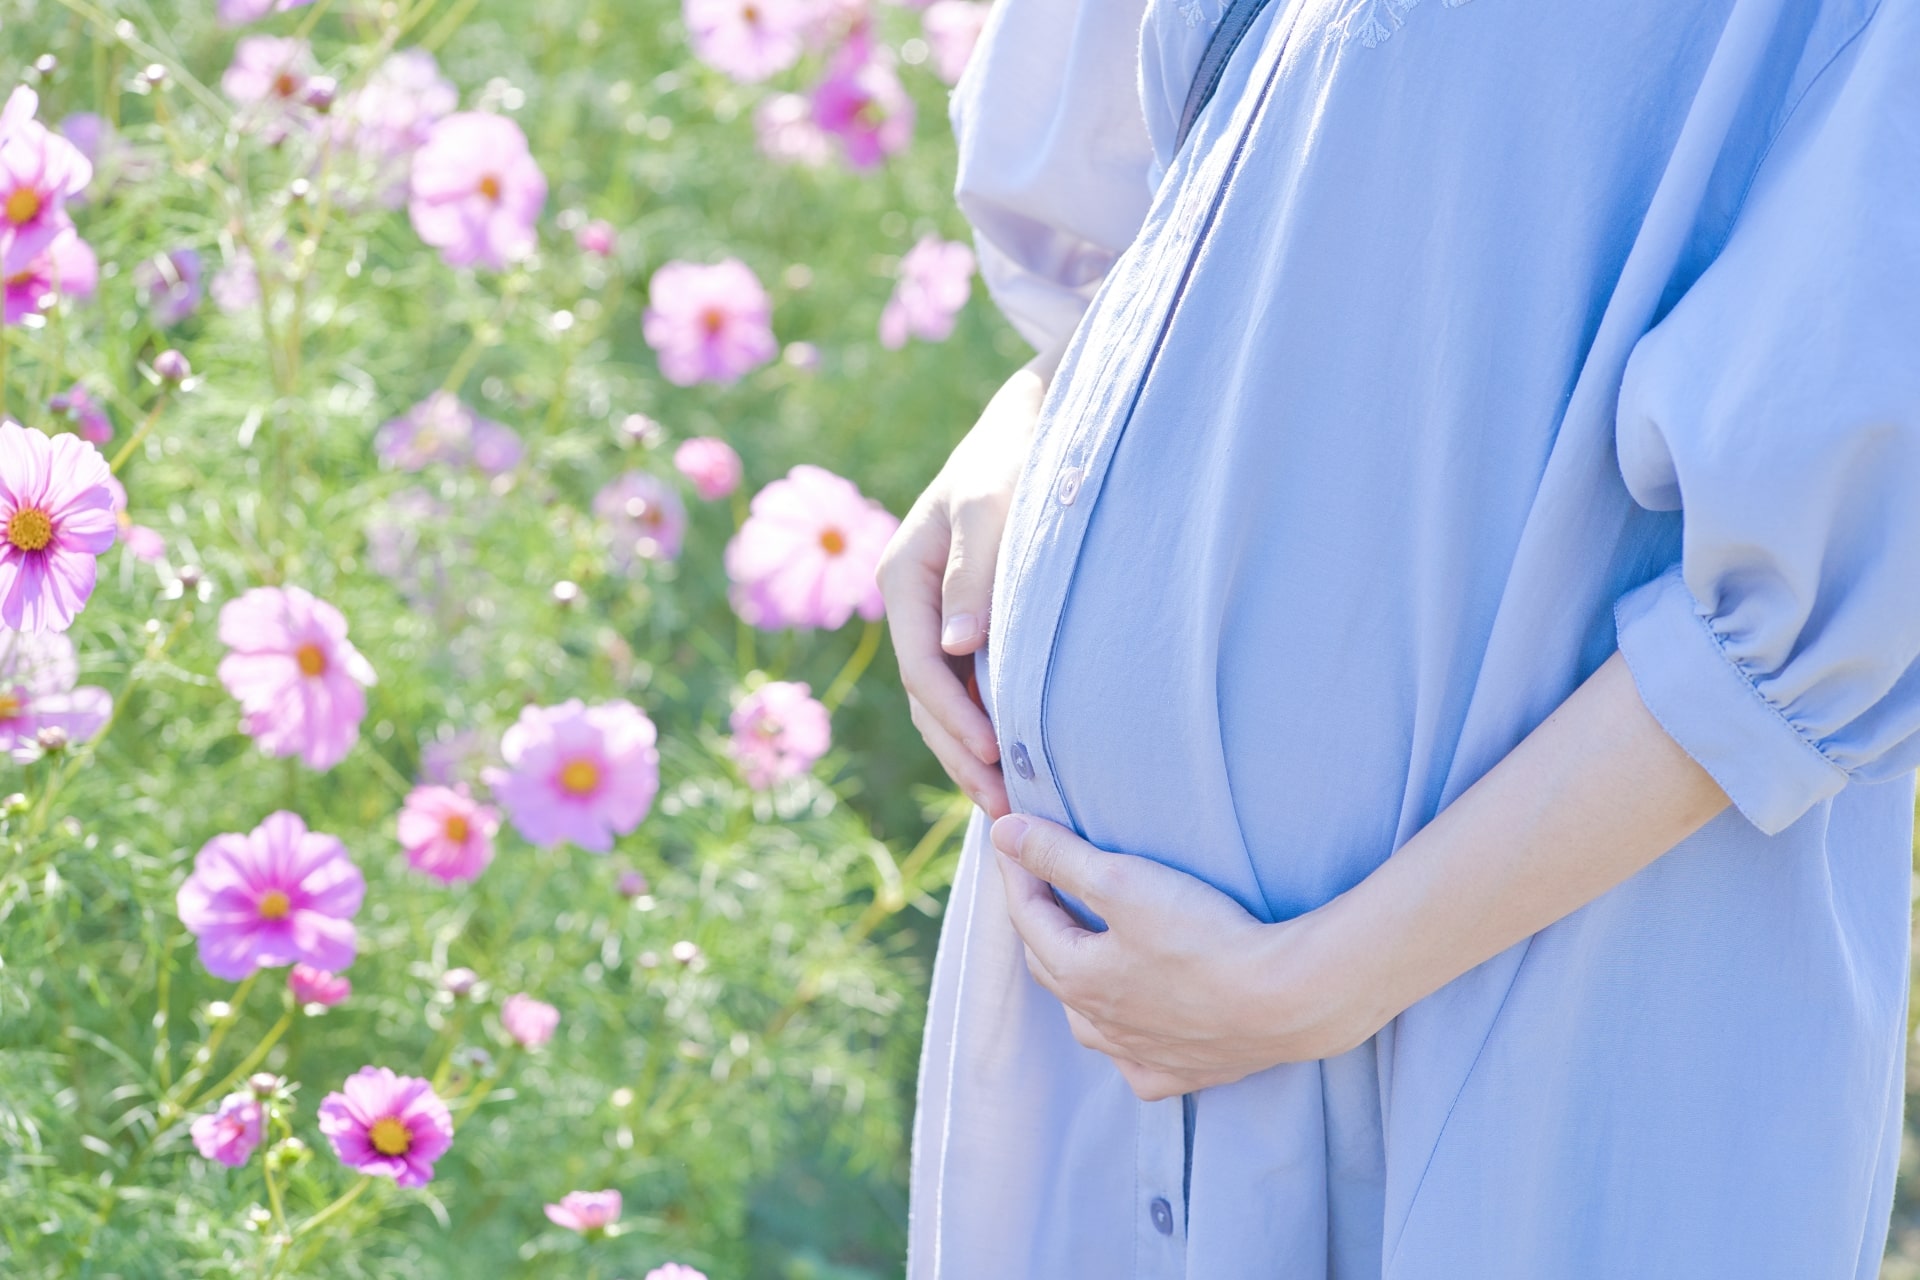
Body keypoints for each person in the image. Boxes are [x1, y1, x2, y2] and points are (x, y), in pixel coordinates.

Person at [876, 0, 1920, 1276]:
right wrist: (1033, 419)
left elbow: (1846, 561)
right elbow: (1206, 180)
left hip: (1509, 1013)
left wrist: (1312, 983)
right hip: (1114, 1020)